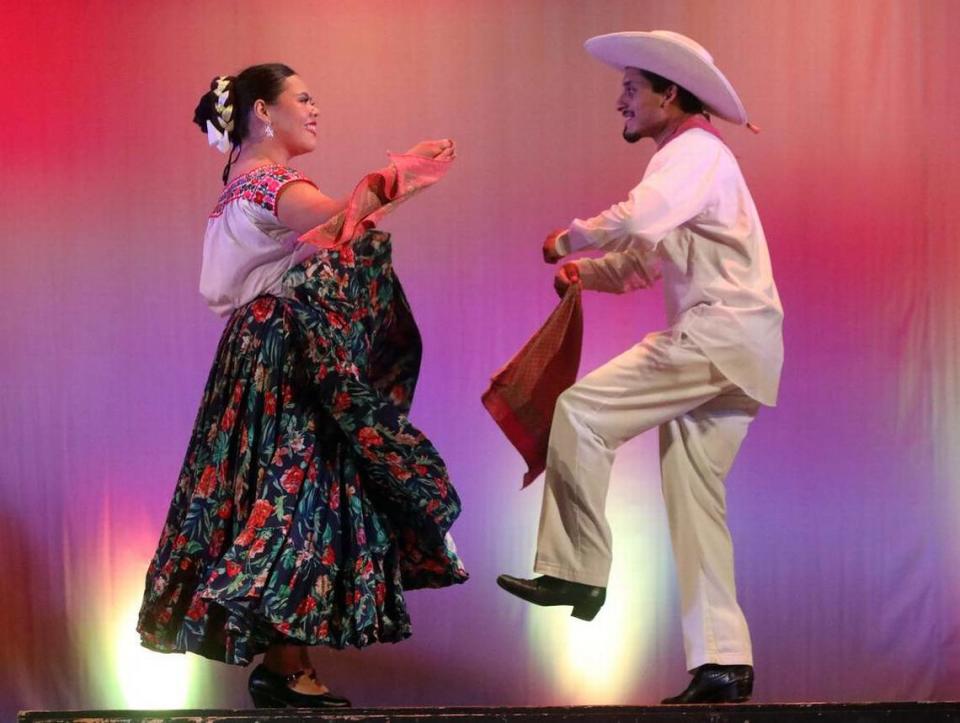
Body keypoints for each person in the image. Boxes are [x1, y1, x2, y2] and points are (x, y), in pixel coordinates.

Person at [137, 63, 468, 709]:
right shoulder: (271, 183)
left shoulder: (240, 185)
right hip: (283, 351)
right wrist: (407, 172)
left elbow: (334, 229)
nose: (315, 109)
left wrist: (400, 184)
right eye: (304, 98)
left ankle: (288, 662)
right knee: (298, 489)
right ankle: (285, 665)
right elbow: (344, 217)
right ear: (264, 111)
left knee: (287, 489)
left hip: (259, 348)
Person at [497, 31, 783, 704]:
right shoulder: (693, 165)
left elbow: (641, 215)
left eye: (631, 90)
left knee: (583, 410)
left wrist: (569, 236)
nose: (620, 103)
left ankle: (576, 569)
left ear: (669, 94)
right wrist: (585, 272)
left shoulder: (694, 153)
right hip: (740, 347)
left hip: (718, 335)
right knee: (693, 499)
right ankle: (724, 661)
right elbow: (643, 260)